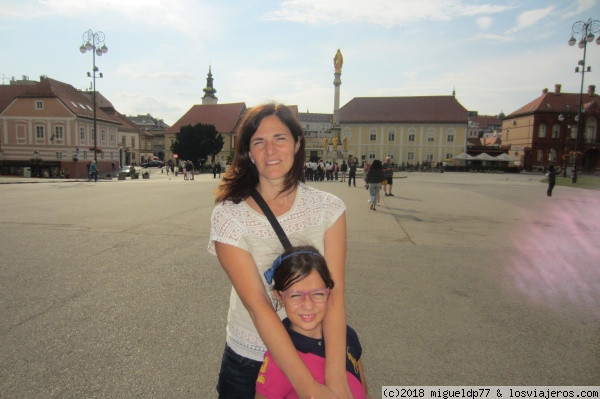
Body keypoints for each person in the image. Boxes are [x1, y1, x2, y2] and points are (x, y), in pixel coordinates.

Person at [209, 103, 351, 398]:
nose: (270, 150)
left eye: (280, 138)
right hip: (250, 357)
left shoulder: (329, 209)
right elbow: (258, 304)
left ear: (298, 144)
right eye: (259, 141)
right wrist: (309, 389)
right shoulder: (229, 215)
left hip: (314, 351)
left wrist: (336, 379)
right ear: (248, 152)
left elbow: (335, 294)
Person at [256, 246, 372, 399]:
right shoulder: (280, 360)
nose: (308, 305)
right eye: (296, 296)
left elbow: (364, 391)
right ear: (279, 296)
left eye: (318, 294)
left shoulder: (347, 335)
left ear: (329, 291)